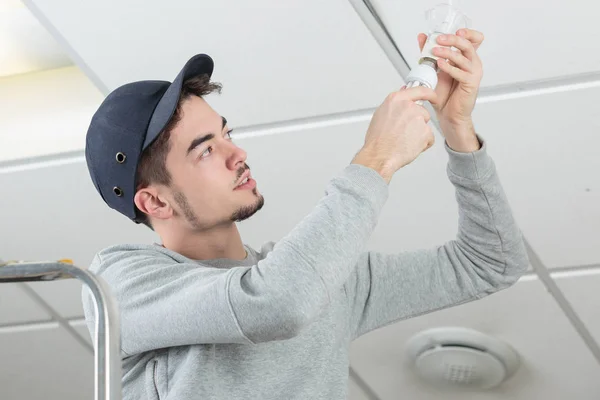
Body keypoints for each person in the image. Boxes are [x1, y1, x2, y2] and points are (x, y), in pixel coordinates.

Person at [82, 29, 528, 400]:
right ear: (155, 203)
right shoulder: (120, 285)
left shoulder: (323, 277)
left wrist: (457, 130)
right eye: (206, 151)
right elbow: (275, 302)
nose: (237, 154)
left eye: (227, 134)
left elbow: (490, 262)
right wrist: (376, 158)